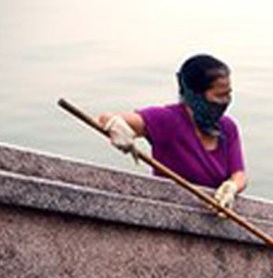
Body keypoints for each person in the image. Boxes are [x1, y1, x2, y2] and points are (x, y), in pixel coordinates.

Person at [98, 54, 246, 211]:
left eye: (228, 94)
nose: (225, 101)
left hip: (214, 210)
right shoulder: (167, 120)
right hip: (170, 210)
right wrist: (114, 125)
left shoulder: (227, 127)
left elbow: (239, 173)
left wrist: (232, 187)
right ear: (195, 94)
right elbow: (104, 119)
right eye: (219, 95)